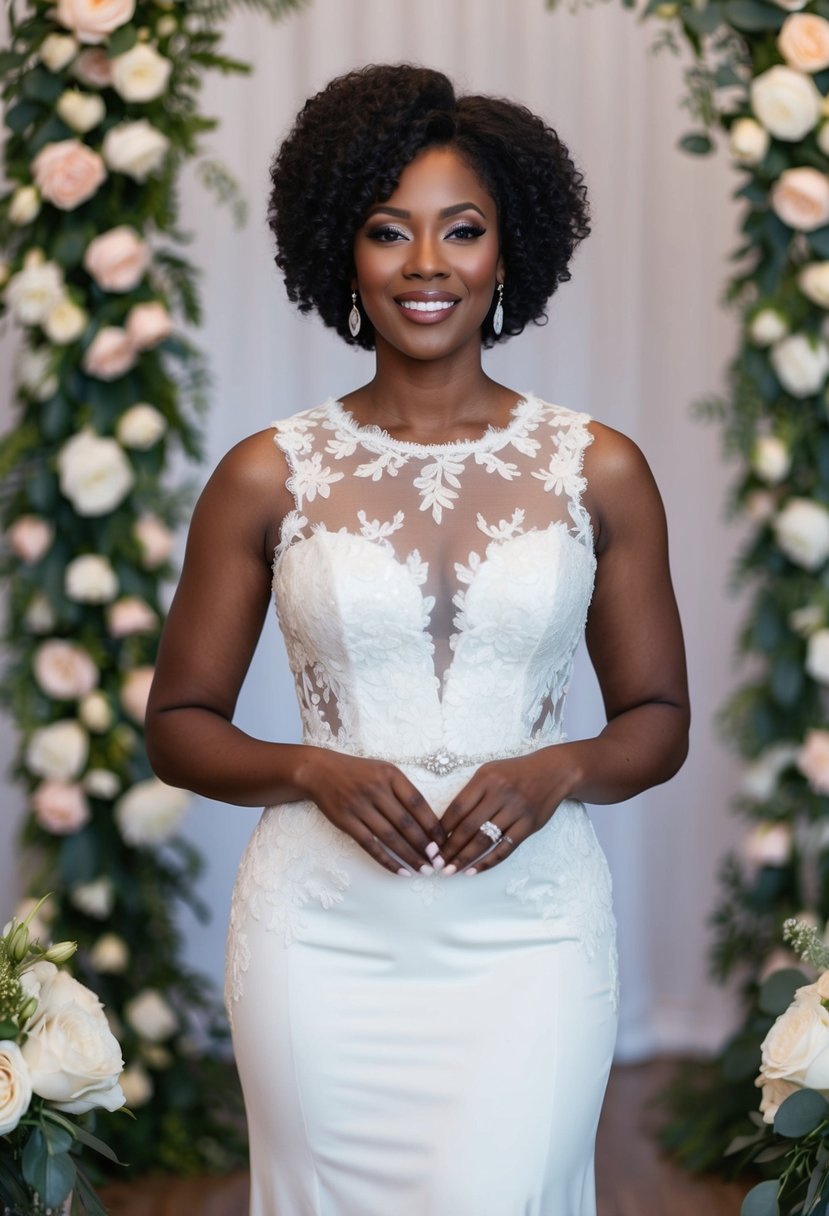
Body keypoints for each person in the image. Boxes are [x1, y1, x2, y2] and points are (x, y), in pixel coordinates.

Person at [145, 63, 690, 1216]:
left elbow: (659, 719)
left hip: (531, 936)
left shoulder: (600, 468)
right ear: (340, 248)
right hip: (320, 940)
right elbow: (178, 725)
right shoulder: (263, 474)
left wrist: (561, 768)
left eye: (463, 231)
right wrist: (307, 766)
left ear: (509, 251)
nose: (428, 266)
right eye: (391, 232)